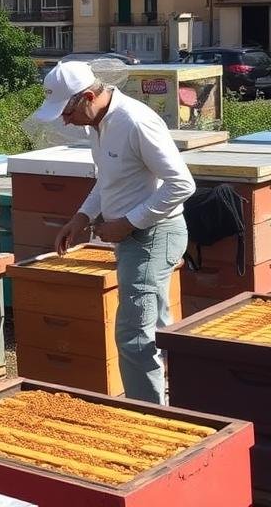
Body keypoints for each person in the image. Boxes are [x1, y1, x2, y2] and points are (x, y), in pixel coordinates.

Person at [40, 62, 195, 404]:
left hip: (154, 235)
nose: (65, 121)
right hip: (136, 236)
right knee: (156, 326)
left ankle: (149, 416)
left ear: (89, 97)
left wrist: (126, 224)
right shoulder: (98, 124)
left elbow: (181, 184)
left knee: (133, 335)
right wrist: (81, 217)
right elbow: (109, 180)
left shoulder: (136, 122)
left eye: (67, 111)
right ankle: (171, 402)